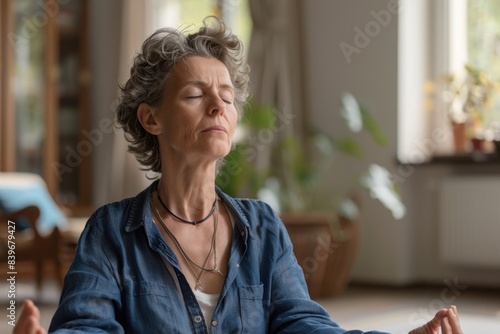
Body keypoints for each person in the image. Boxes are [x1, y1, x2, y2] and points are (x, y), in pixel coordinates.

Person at [13, 17, 463, 334]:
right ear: (151, 119)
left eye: (227, 97)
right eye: (195, 94)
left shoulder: (263, 226)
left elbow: (301, 324)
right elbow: (86, 326)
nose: (218, 107)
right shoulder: (110, 232)